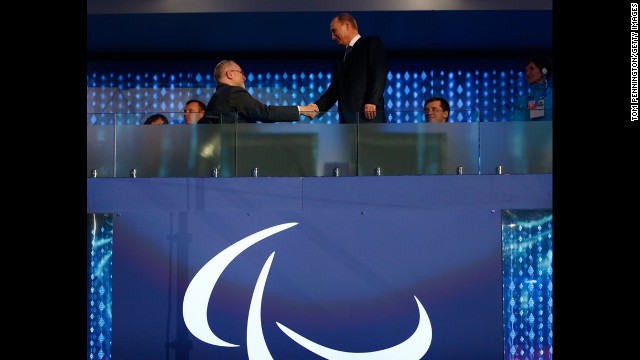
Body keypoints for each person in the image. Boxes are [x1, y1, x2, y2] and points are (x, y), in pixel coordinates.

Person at [312, 13, 388, 124]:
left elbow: (379, 72)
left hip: (367, 118)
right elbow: (334, 90)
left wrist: (372, 101)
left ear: (347, 25)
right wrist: (316, 108)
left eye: (334, 31)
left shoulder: (370, 43)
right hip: (346, 124)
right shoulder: (340, 59)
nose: (332, 37)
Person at [203, 60, 318, 123]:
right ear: (230, 74)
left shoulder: (220, 95)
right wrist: (302, 109)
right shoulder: (232, 92)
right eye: (241, 72)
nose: (245, 77)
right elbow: (265, 113)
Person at [512, 55, 553, 121]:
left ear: (544, 71)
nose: (527, 73)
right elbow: (516, 126)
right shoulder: (522, 101)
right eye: (526, 71)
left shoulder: (551, 97)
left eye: (531, 69)